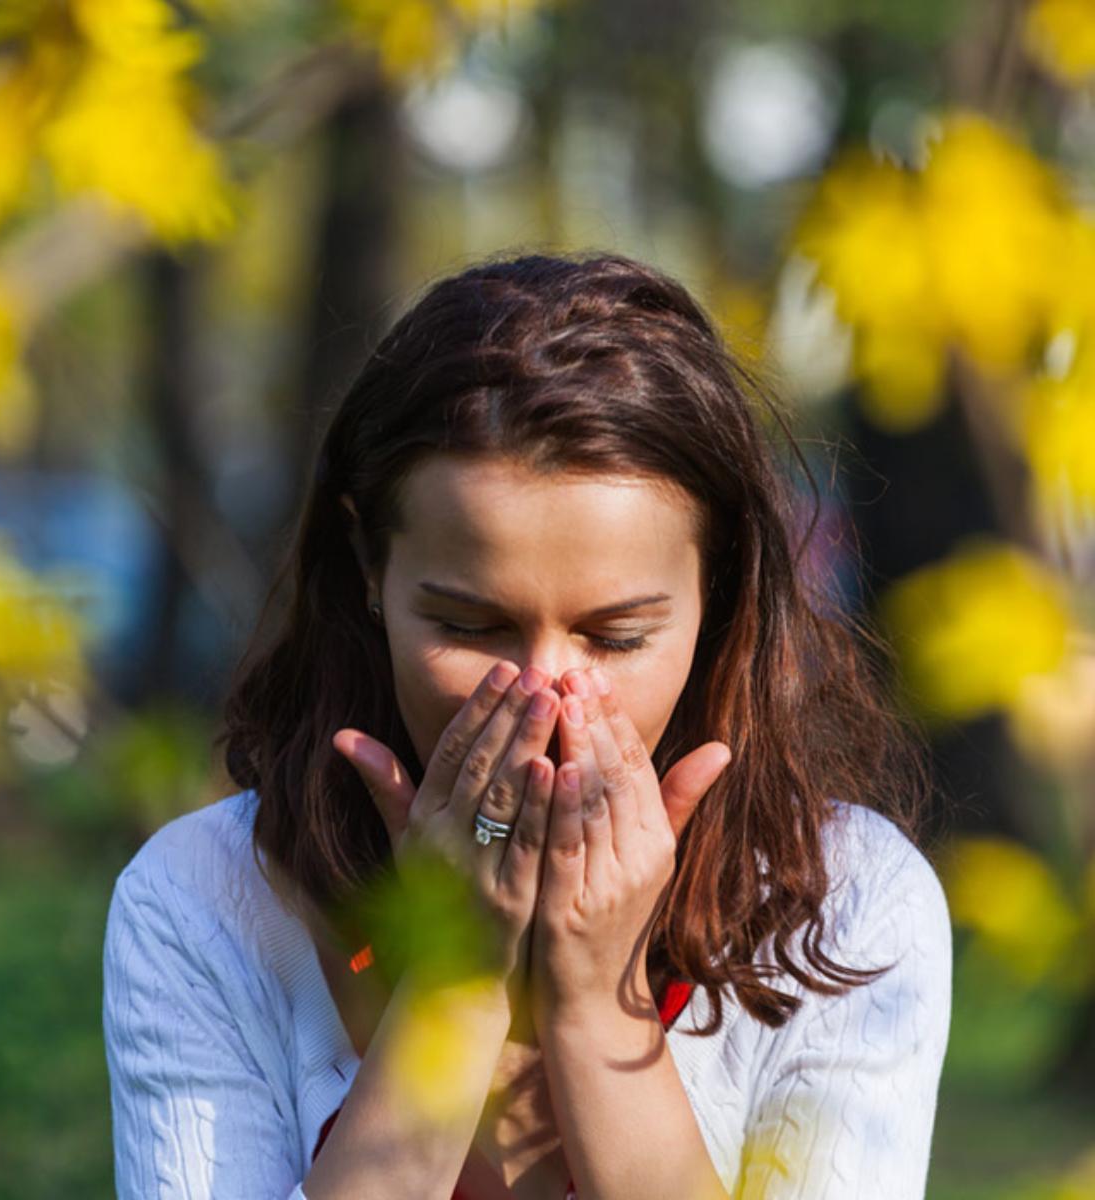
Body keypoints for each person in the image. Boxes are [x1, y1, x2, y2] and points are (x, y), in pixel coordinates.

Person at [102, 251, 952, 1199]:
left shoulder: (846, 906)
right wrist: (451, 992)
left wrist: (601, 1009)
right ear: (369, 570)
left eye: (618, 636)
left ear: (716, 596)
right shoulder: (207, 904)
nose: (545, 694)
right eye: (469, 626)